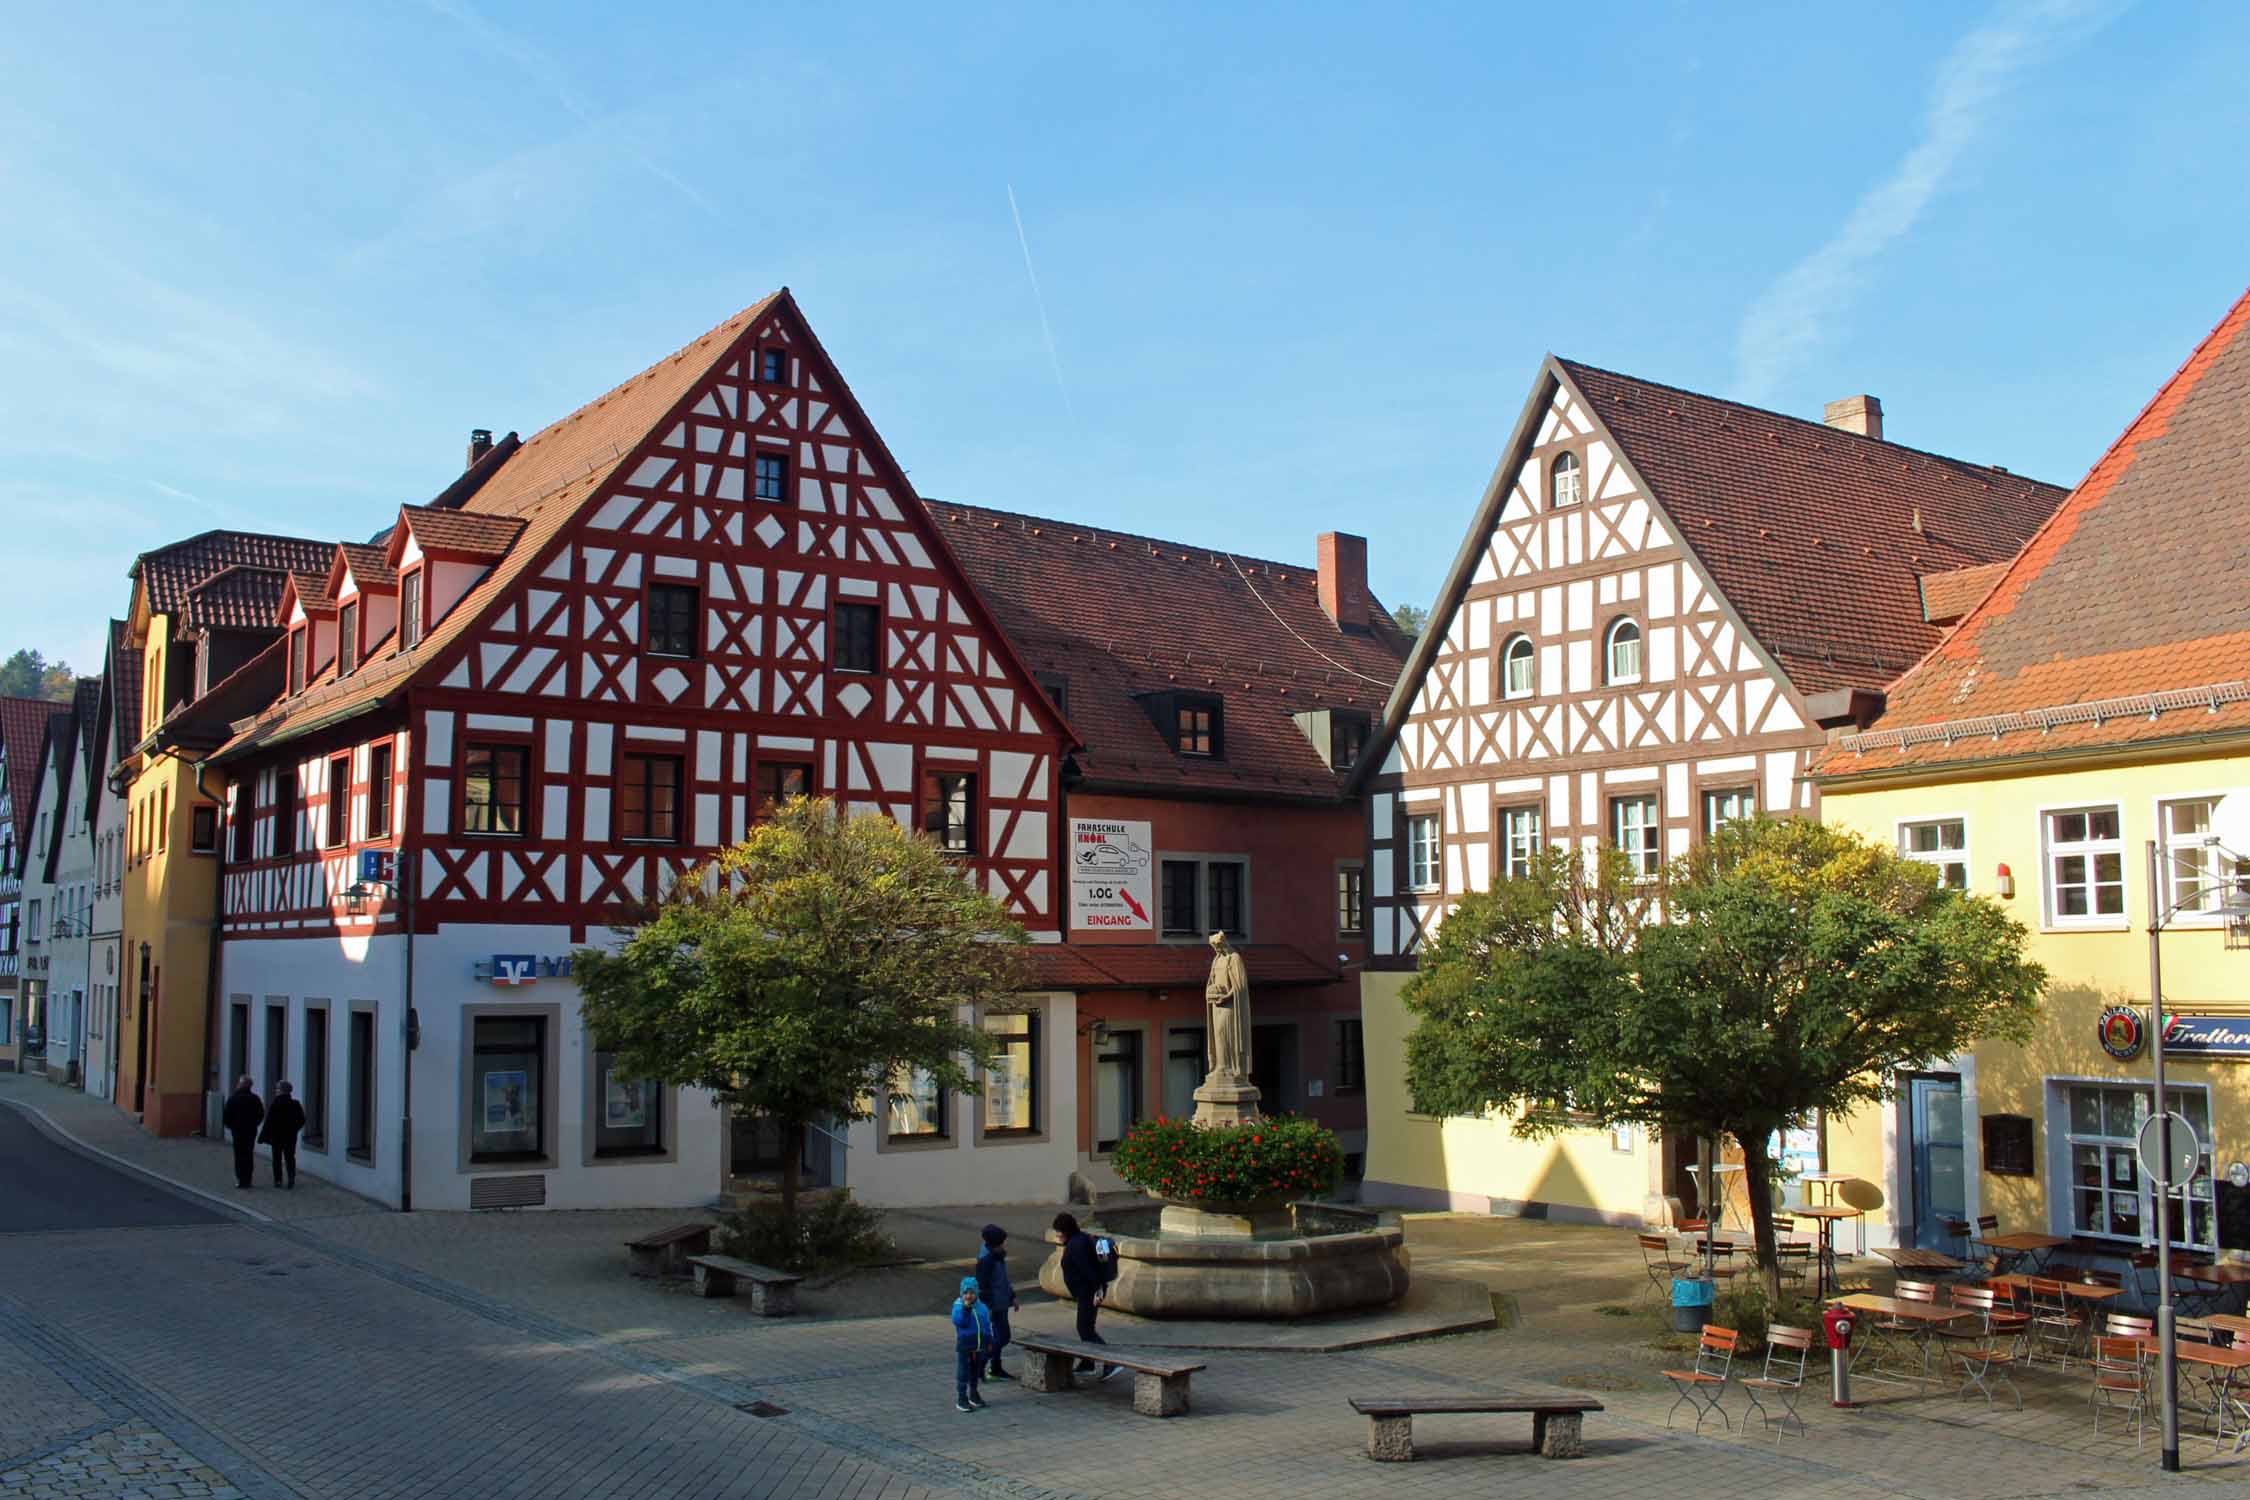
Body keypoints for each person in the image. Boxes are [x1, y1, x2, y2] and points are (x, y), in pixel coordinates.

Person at [1052, 1213, 1120, 1381]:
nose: (1057, 1235)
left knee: (1085, 1328)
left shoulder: (1076, 1245)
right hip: (1087, 1291)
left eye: (1059, 1231)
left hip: (1088, 1293)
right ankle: (1087, 1363)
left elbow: (1089, 1271)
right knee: (1085, 1327)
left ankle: (1111, 1361)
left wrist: (1098, 1291)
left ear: (1066, 1231)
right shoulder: (1079, 1239)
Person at [973, 1224, 1020, 1381]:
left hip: (1001, 1302)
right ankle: (980, 1363)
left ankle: (995, 1368)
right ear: (995, 1243)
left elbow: (1003, 1280)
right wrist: (989, 1306)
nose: (1006, 1244)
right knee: (1003, 1337)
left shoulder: (997, 1256)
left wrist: (1012, 1296)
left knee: (998, 1336)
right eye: (1003, 1241)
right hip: (994, 1304)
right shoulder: (987, 1260)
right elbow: (983, 1286)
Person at [950, 1275, 993, 1412]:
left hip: (980, 1345)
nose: (969, 1296)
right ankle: (961, 1397)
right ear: (962, 1293)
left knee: (975, 1371)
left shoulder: (982, 1307)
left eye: (972, 1293)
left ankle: (973, 1394)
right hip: (965, 1345)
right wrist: (965, 1309)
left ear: (977, 1293)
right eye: (966, 1293)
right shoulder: (958, 1306)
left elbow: (987, 1325)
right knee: (963, 1371)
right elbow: (959, 1321)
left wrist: (990, 1340)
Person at [259, 1079, 307, 1188]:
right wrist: (294, 1129)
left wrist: (264, 1135)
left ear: (282, 1090)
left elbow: (269, 1121)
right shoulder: (295, 1104)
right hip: (290, 1135)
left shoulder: (276, 1104)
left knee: (277, 1158)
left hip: (277, 1136)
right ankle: (291, 1178)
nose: (276, 1090)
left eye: (277, 1088)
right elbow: (302, 1119)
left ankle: (278, 1180)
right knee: (290, 1157)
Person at [222, 1075, 265, 1190]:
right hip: (250, 1131)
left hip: (237, 1131)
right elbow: (261, 1114)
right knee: (248, 1154)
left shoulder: (233, 1099)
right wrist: (255, 1124)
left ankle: (241, 1180)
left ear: (240, 1085)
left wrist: (231, 1126)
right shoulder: (255, 1099)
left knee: (239, 1155)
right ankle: (248, 1179)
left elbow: (226, 1116)